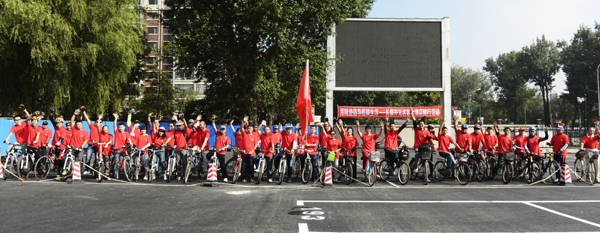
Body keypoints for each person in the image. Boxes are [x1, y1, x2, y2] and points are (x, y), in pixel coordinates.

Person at [112, 113, 134, 180]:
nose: (120, 128)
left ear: (124, 127)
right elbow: (114, 125)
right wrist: (116, 118)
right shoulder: (117, 132)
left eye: (122, 127)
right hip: (117, 149)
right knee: (117, 163)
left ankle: (126, 170)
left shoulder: (127, 134)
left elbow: (129, 140)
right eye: (120, 127)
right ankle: (116, 176)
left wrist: (131, 144)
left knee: (128, 158)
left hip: (124, 149)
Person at [82, 107, 102, 175]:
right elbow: (87, 119)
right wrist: (84, 111)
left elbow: (99, 130)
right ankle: (87, 169)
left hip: (98, 145)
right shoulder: (92, 126)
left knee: (97, 159)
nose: (98, 123)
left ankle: (96, 169)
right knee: (88, 158)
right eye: (97, 122)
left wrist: (99, 118)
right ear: (95, 122)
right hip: (91, 144)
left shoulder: (102, 128)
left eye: (99, 122)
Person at [240, 117, 260, 182]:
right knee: (244, 166)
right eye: (249, 128)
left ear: (252, 129)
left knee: (251, 166)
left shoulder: (254, 136)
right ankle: (244, 178)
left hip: (251, 153)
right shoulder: (244, 134)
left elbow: (256, 144)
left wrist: (252, 150)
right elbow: (241, 128)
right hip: (244, 153)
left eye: (251, 128)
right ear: (247, 129)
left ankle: (251, 177)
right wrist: (243, 121)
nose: (250, 129)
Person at [210, 118, 230, 182]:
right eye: (221, 129)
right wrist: (213, 120)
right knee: (208, 156)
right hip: (215, 151)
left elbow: (228, 145)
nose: (222, 130)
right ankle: (211, 174)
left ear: (225, 130)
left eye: (224, 129)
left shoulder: (227, 137)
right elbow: (214, 127)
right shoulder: (217, 133)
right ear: (220, 130)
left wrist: (223, 148)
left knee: (223, 165)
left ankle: (225, 177)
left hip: (221, 152)